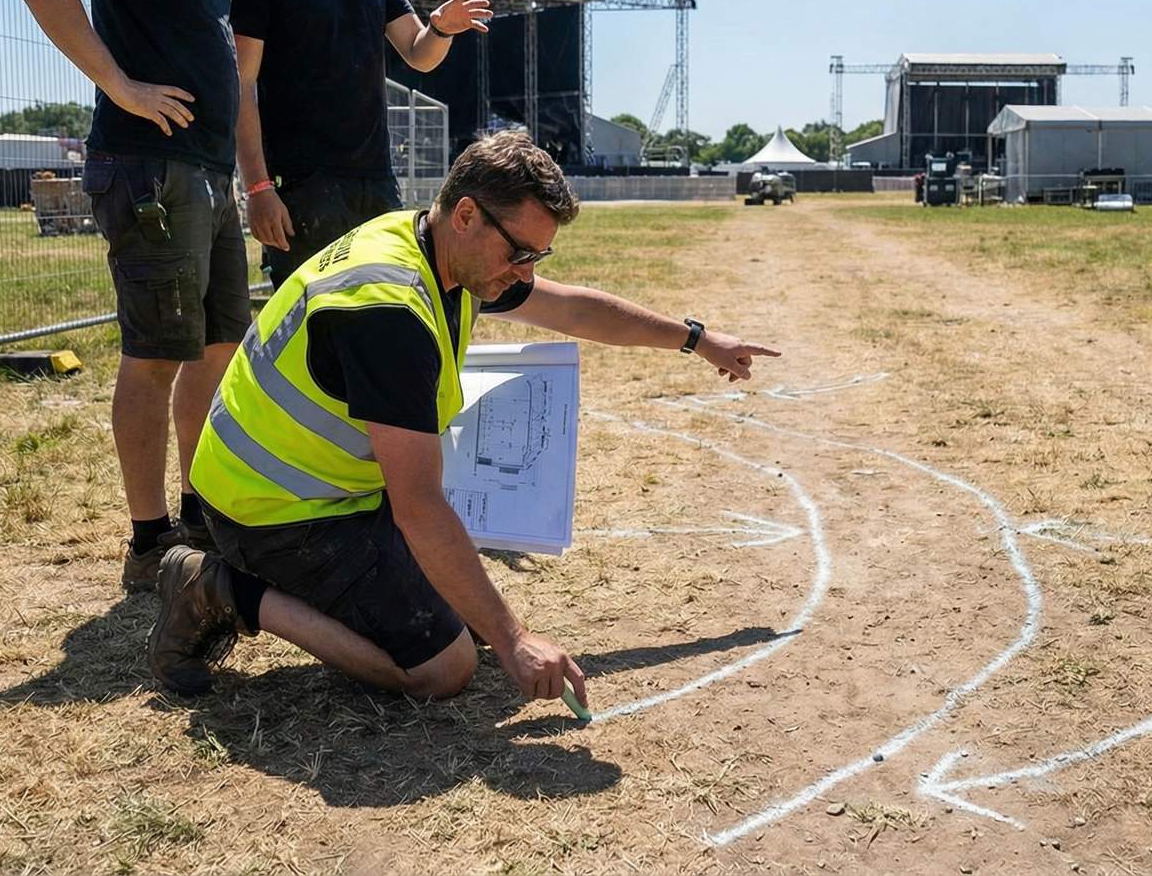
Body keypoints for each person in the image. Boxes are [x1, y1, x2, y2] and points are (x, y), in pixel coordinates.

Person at [148, 132, 780, 707]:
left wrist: (696, 339)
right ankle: (219, 587)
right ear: (468, 214)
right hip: (270, 511)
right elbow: (418, 506)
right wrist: (516, 640)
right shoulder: (388, 311)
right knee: (445, 669)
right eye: (522, 252)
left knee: (467, 612)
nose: (527, 272)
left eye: (539, 254)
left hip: (327, 489)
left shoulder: (441, 248)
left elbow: (577, 312)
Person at [12, 0, 301, 593]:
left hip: (201, 173)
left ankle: (197, 514)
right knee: (153, 357)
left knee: (214, 349)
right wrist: (119, 85)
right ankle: (149, 543)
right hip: (149, 169)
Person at [227, 0, 493, 288]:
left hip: (375, 182)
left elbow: (418, 54)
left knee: (382, 314)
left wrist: (440, 28)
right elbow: (241, 85)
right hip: (301, 188)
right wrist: (259, 187)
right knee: (315, 328)